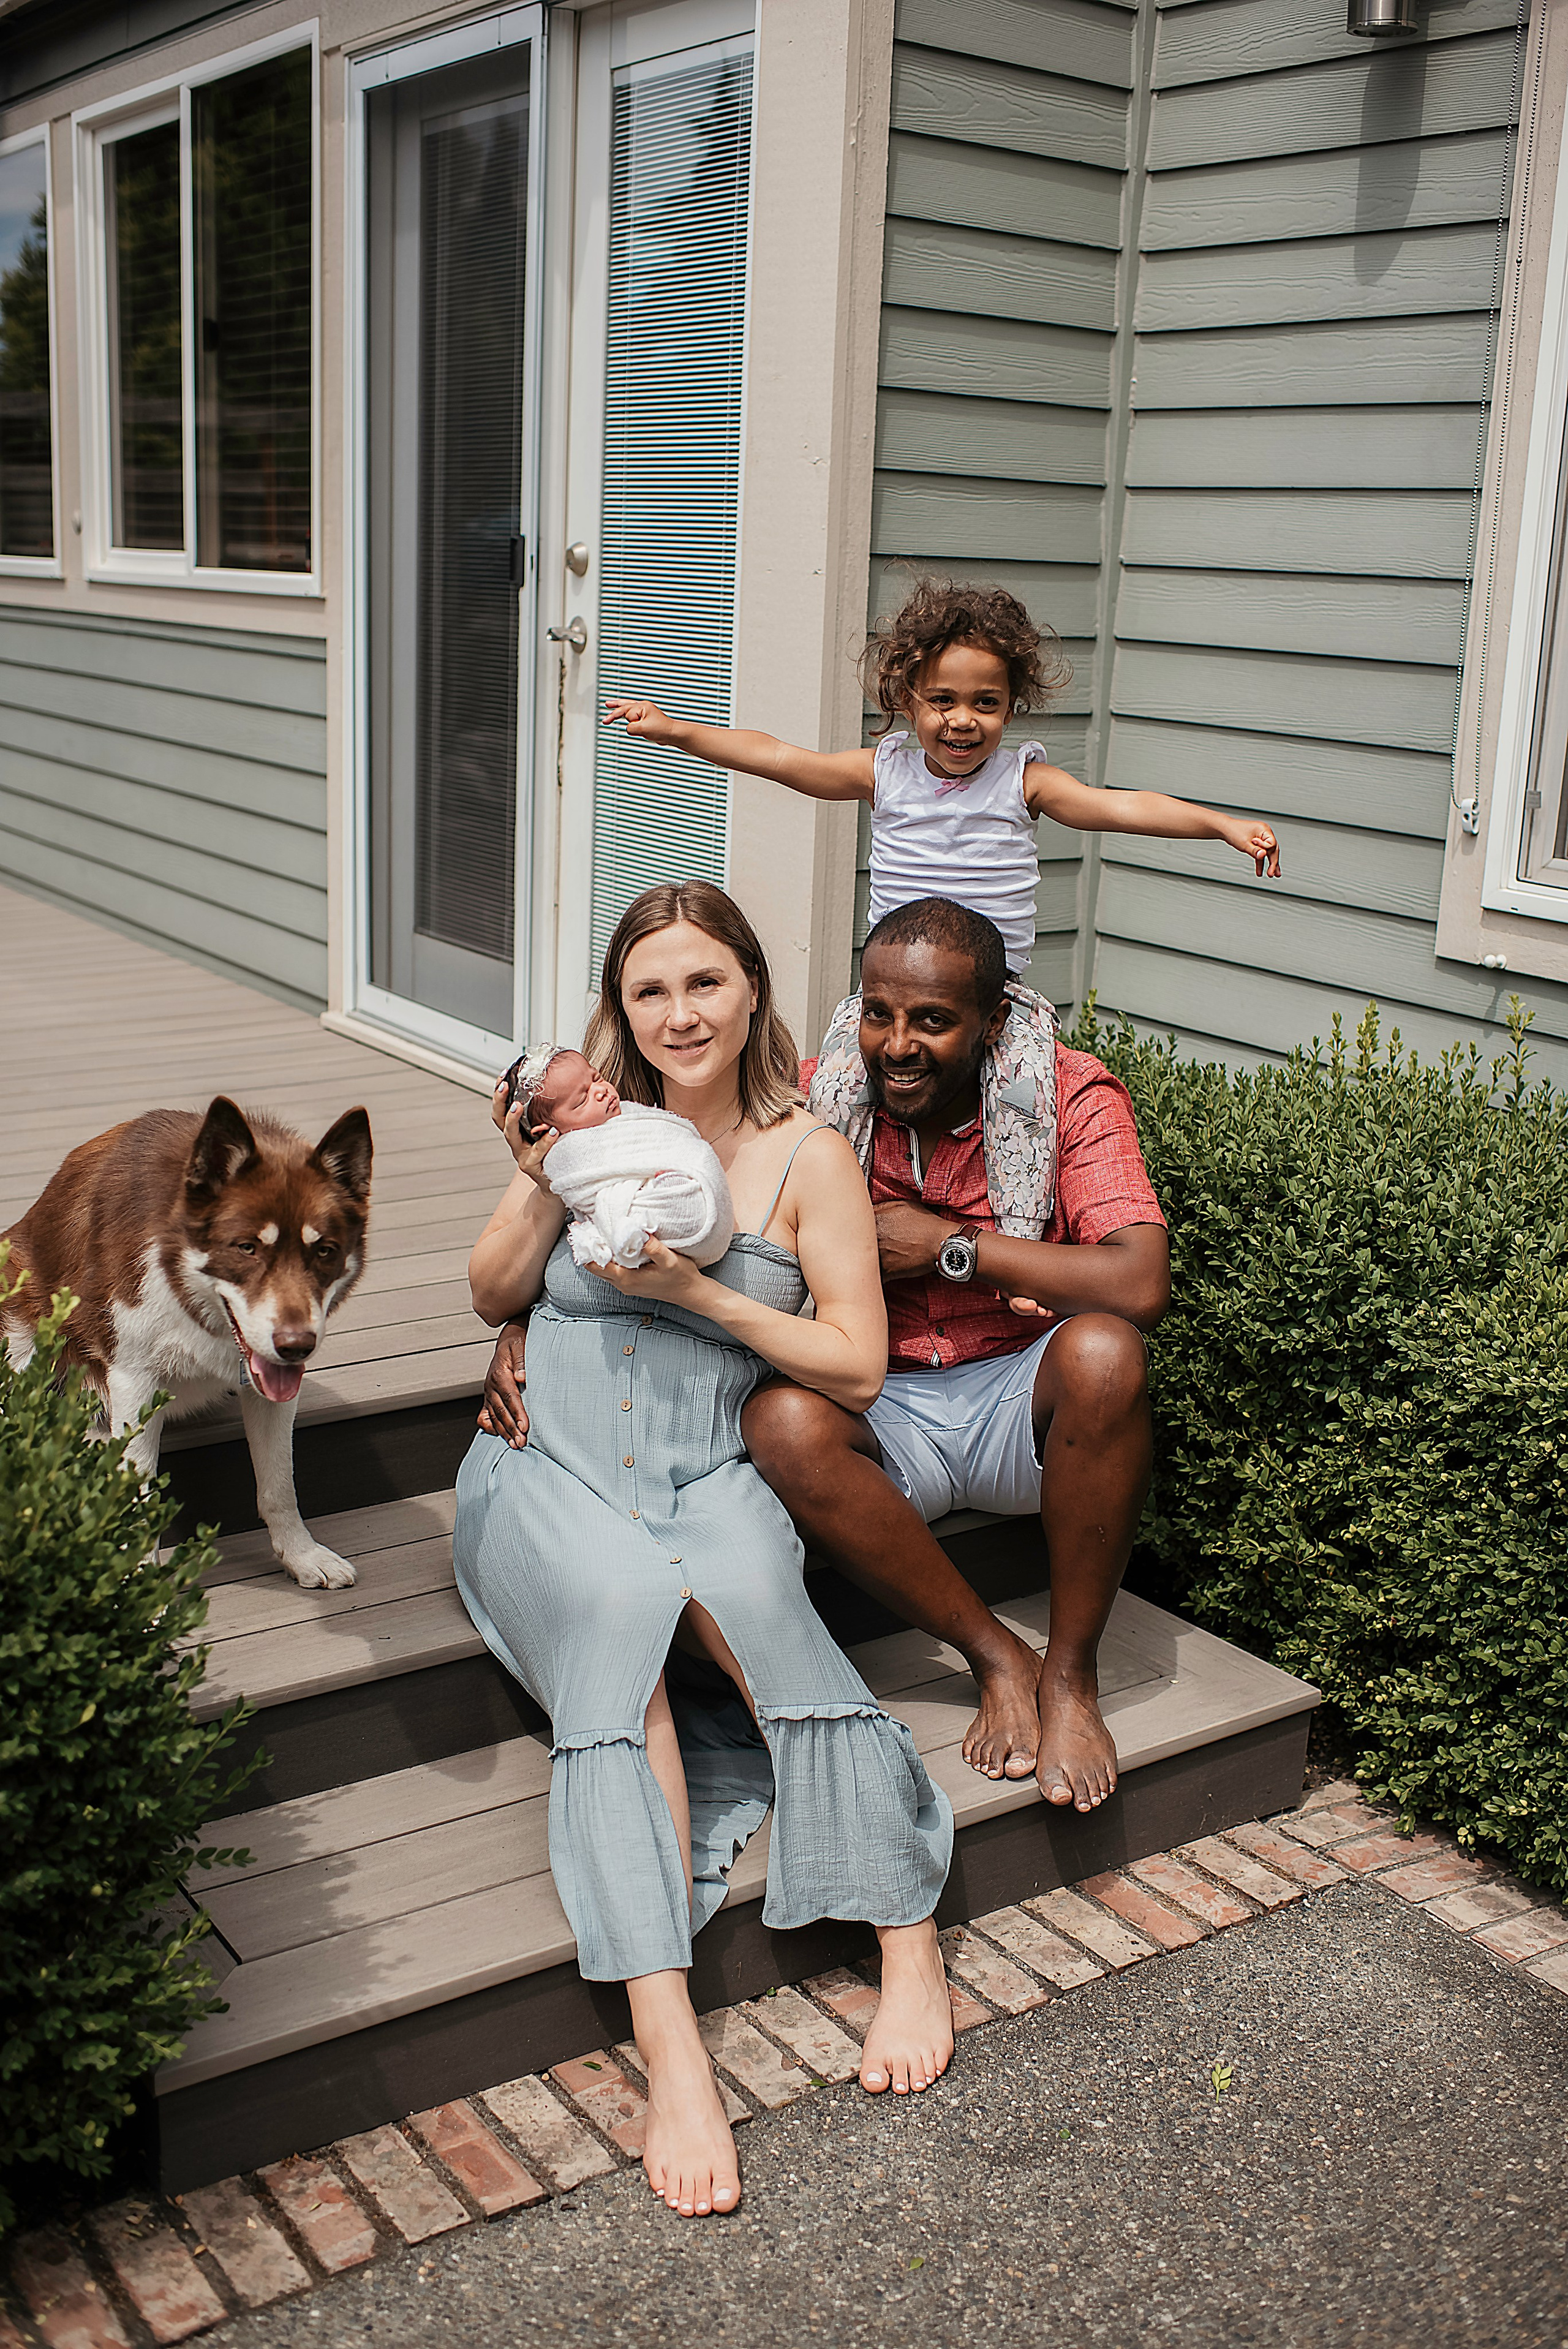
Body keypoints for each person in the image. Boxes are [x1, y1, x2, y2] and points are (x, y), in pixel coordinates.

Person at [456, 881, 954, 2225]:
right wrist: (530, 1176)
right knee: (620, 1621)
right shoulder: (587, 1132)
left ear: (750, 992)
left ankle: (905, 1938)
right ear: (617, 1012)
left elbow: (852, 1367)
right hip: (545, 1470)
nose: (676, 1014)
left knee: (768, 1615)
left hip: (706, 1468)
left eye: (702, 984)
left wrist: (695, 1291)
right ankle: (671, 2047)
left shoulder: (808, 1160)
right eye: (647, 991)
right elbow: (495, 1291)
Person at [604, 575, 1278, 1237]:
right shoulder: (886, 773)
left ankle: (1016, 1245)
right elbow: (781, 757)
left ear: (1011, 707)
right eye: (942, 700)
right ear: (908, 698)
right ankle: (826, 1236)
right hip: (896, 988)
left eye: (986, 702)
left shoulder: (1023, 782)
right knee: (832, 1094)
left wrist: (1220, 824)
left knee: (1026, 1102)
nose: (962, 719)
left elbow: (1122, 807)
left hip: (995, 996)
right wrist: (678, 732)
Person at [741, 895, 1170, 1815]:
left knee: (1105, 1353)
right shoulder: (818, 1098)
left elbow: (1139, 1283)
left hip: (1022, 1398)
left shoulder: (1069, 1091)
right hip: (883, 1403)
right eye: (879, 1013)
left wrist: (952, 1246)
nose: (897, 1044)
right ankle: (997, 1654)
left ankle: (1071, 1675)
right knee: (780, 1417)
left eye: (933, 1019)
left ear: (993, 1022)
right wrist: (529, 1321)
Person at [499, 1043, 735, 1272]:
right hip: (654, 1213)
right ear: (547, 1133)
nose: (601, 1091)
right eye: (582, 1100)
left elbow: (671, 1141)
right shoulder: (567, 1154)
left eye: (596, 1078)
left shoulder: (628, 1113)